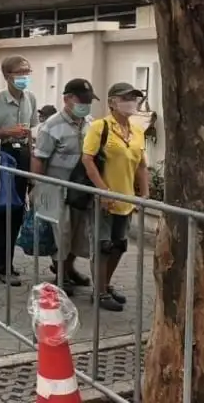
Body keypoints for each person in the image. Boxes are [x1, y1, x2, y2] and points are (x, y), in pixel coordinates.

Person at [82, 82, 149, 311]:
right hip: (103, 198)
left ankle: (106, 285)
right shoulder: (100, 127)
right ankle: (99, 293)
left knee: (119, 245)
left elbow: (141, 165)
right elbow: (87, 160)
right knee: (103, 246)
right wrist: (103, 191)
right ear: (112, 102)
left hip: (126, 199)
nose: (131, 102)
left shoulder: (137, 130)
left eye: (134, 98)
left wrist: (144, 194)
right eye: (125, 98)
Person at [31, 79, 98, 296]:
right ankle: (61, 274)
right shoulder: (51, 126)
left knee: (78, 233)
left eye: (88, 101)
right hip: (57, 189)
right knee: (62, 234)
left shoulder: (90, 123)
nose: (85, 105)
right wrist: (37, 186)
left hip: (82, 189)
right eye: (81, 100)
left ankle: (70, 269)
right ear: (67, 99)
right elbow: (39, 158)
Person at [0, 55, 37, 285]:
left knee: (18, 211)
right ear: (7, 76)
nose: (24, 77)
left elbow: (31, 131)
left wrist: (32, 164)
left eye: (27, 72)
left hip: (22, 157)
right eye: (19, 73)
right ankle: (3, 264)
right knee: (5, 211)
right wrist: (6, 132)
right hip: (2, 156)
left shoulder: (30, 98)